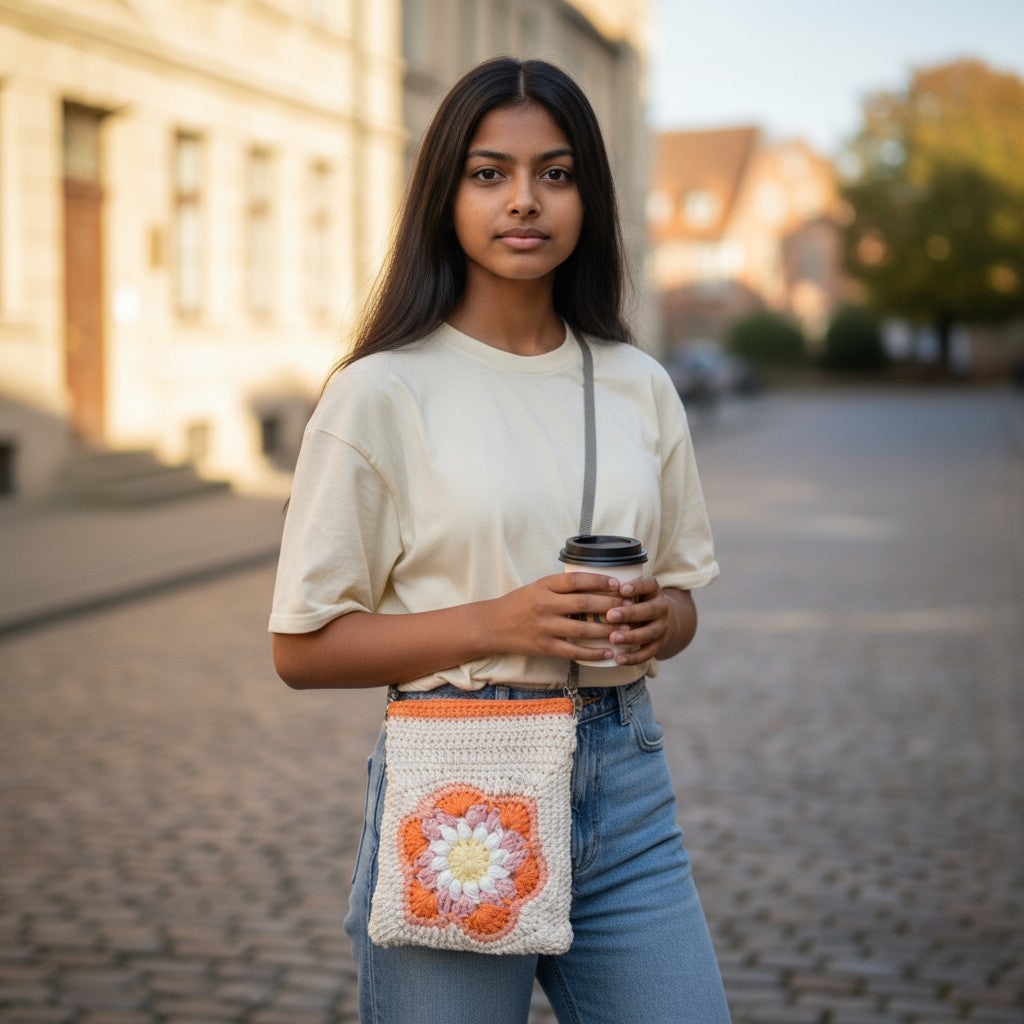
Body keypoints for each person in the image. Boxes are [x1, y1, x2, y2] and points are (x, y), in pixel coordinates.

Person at [270, 56, 732, 1024]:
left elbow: (684, 598)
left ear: (587, 198)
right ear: (446, 193)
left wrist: (657, 621)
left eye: (554, 174)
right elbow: (301, 647)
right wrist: (499, 620)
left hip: (627, 786)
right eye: (489, 173)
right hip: (459, 791)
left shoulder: (637, 382)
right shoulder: (379, 392)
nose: (524, 201)